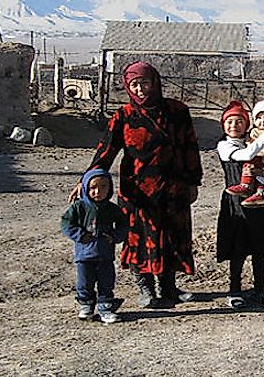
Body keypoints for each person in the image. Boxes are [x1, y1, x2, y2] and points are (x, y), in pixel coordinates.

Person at [72, 61, 202, 308]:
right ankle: (145, 289)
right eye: (134, 84)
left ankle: (169, 288)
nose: (140, 89)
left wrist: (193, 181)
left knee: (171, 236)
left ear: (154, 82)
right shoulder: (123, 116)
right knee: (138, 239)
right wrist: (86, 179)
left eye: (144, 82)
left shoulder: (177, 111)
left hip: (173, 189)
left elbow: (190, 147)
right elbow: (106, 151)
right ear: (127, 87)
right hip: (137, 191)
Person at [217, 101, 264, 308]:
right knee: (238, 246)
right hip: (235, 201)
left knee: (259, 245)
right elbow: (246, 156)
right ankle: (235, 289)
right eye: (229, 121)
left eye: (239, 121)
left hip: (261, 198)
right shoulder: (225, 145)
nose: (234, 126)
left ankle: (260, 289)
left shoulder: (253, 140)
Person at [61, 169, 127, 324]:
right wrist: (80, 236)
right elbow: (66, 224)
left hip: (105, 255)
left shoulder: (111, 209)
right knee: (84, 282)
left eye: (103, 187)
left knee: (106, 282)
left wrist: (115, 237)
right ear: (85, 188)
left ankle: (105, 308)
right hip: (84, 255)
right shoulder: (79, 207)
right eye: (93, 188)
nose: (98, 191)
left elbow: (123, 224)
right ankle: (86, 306)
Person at [225, 99, 264, 208]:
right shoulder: (225, 144)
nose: (262, 121)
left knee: (261, 173)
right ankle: (246, 186)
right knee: (249, 166)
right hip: (253, 160)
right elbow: (248, 154)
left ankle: (260, 194)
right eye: (258, 118)